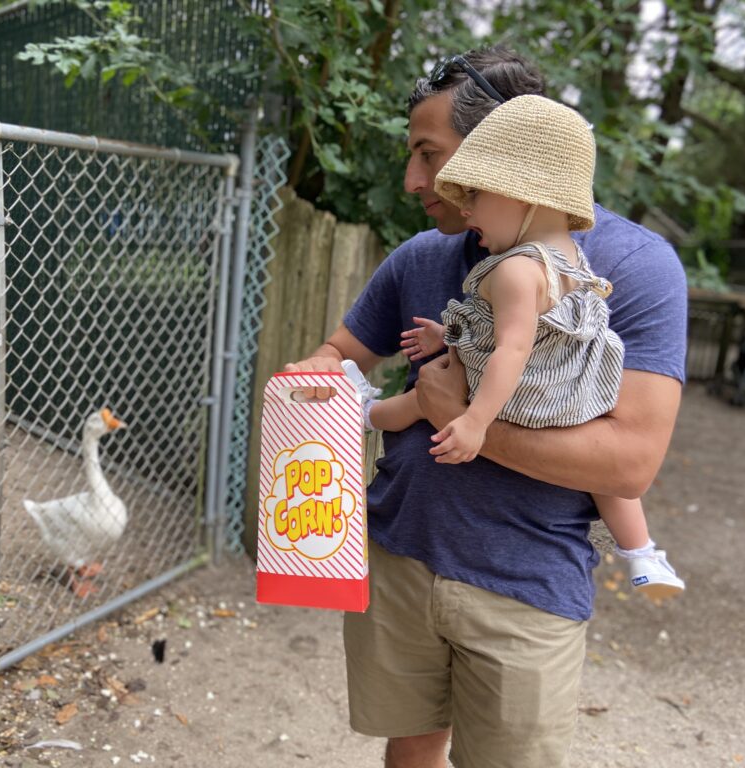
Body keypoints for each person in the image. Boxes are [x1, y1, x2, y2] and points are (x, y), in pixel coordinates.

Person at [284, 47, 687, 768]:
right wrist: (313, 377)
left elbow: (631, 463)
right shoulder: (419, 256)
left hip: (524, 590)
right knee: (407, 748)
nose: (414, 181)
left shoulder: (637, 268)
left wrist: (455, 416)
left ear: (510, 147)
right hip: (399, 562)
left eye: (429, 155)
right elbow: (339, 353)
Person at [342, 94, 684, 600]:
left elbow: (512, 347)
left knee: (420, 400)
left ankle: (366, 410)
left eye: (476, 193)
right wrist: (446, 334)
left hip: (518, 395)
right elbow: (515, 330)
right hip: (571, 397)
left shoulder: (515, 269)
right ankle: (641, 553)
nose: (464, 206)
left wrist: (471, 419)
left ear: (524, 196)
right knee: (609, 489)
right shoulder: (572, 261)